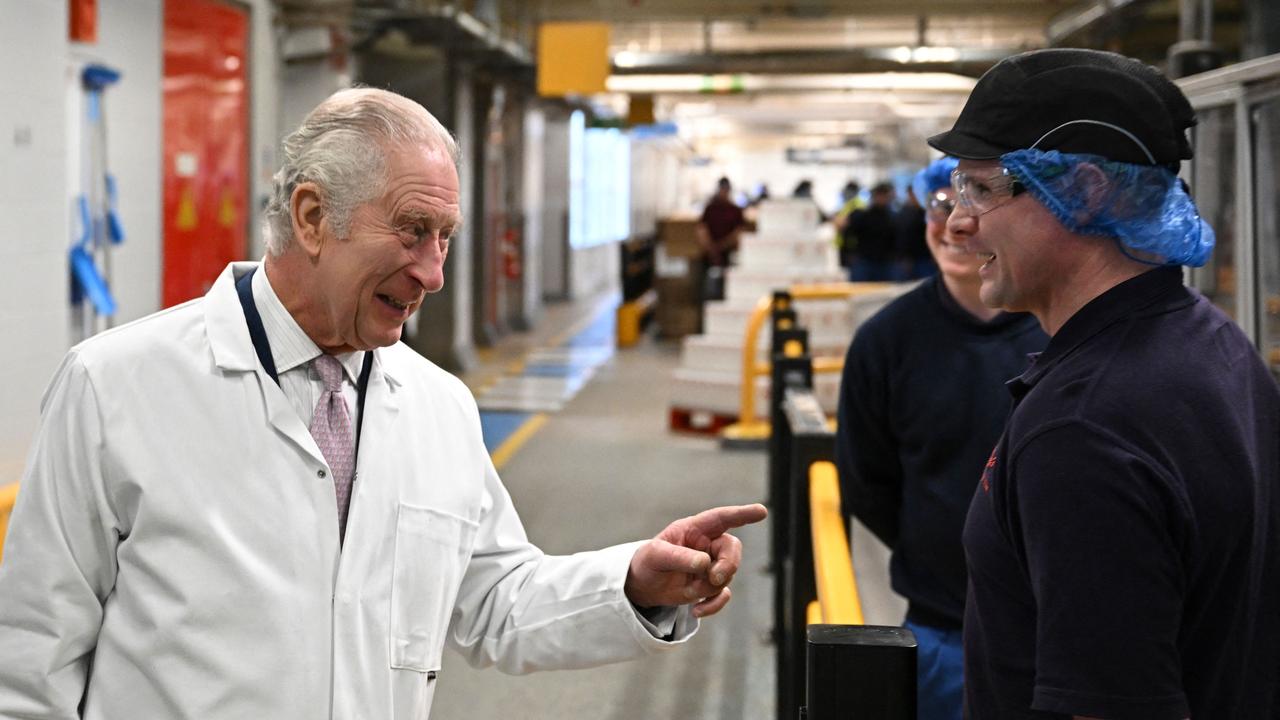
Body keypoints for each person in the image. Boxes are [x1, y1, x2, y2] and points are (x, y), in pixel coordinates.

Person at [0, 88, 767, 719]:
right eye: (413, 230)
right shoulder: (116, 386)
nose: (433, 272)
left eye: (445, 237)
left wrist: (632, 583)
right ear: (311, 218)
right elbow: (33, 655)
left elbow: (494, 599)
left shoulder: (436, 406)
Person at [928, 48, 1280, 718]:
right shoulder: (1214, 344)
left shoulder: (1084, 428)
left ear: (1086, 191)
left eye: (985, 188)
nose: (955, 223)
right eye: (956, 191)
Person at [834, 155, 1047, 720]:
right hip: (941, 627)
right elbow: (865, 481)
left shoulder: (1058, 332)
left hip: (1057, 633)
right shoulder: (886, 341)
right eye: (940, 205)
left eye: (974, 203)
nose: (954, 222)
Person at [839, 182, 897, 281]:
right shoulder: (861, 215)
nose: (883, 199)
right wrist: (848, 253)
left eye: (885, 196)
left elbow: (895, 238)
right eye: (880, 195)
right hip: (864, 260)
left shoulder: (892, 217)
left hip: (884, 261)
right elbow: (848, 235)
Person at [697, 176, 746, 269]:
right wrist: (711, 249)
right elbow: (702, 229)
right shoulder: (710, 209)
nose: (724, 192)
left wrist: (721, 246)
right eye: (722, 189)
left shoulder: (735, 210)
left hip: (728, 251)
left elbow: (739, 232)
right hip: (709, 251)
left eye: (726, 190)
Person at [893, 185, 932, 279]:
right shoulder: (903, 213)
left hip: (925, 258)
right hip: (907, 259)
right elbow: (900, 236)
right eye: (911, 194)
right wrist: (903, 256)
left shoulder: (928, 213)